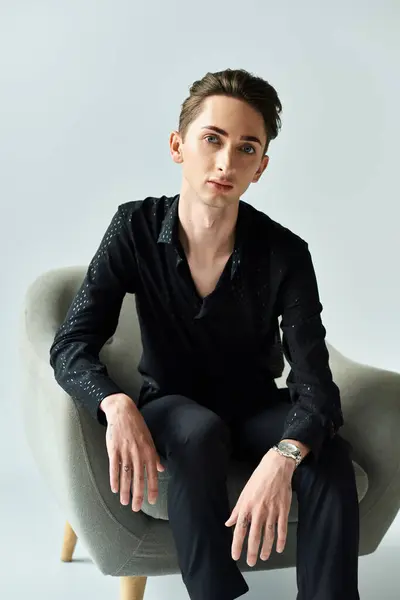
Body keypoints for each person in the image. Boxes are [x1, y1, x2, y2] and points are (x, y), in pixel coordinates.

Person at [49, 68, 360, 600]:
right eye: (212, 140)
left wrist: (283, 456)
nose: (225, 163)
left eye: (245, 149)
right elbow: (71, 343)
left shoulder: (285, 253)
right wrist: (114, 403)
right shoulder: (135, 228)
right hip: (172, 406)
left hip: (255, 406)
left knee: (325, 456)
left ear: (261, 167)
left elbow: (317, 389)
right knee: (197, 431)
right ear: (178, 145)